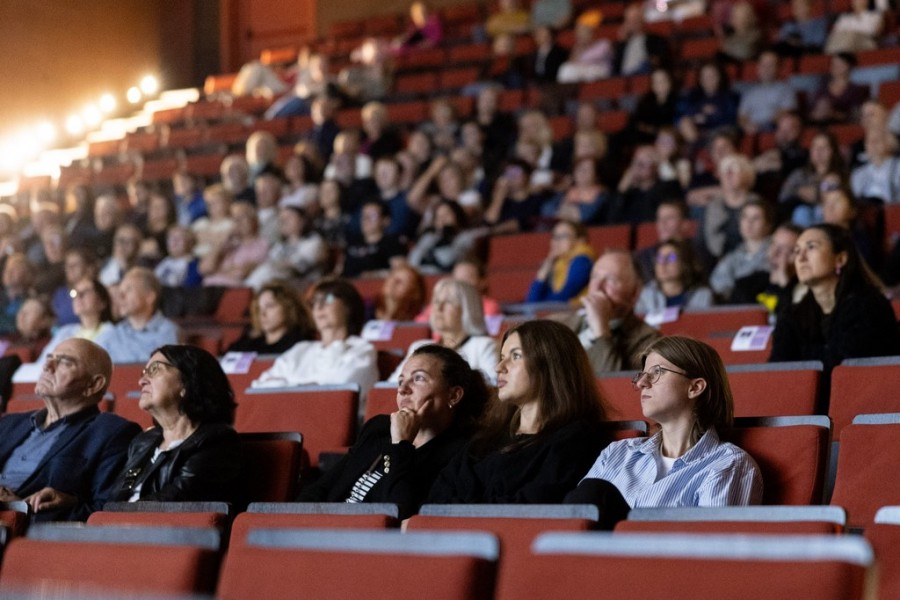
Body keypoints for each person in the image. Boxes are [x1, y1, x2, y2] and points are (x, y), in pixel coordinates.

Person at [569, 336, 762, 508]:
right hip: (589, 547)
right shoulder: (616, 453)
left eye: (657, 372)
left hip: (663, 549)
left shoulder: (728, 465)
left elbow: (711, 546)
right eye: (642, 375)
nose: (641, 383)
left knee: (597, 492)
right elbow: (575, 523)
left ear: (695, 387)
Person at [298, 344, 489, 518]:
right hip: (327, 533)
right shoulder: (380, 428)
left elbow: (400, 514)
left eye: (419, 378)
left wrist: (401, 444)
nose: (403, 389)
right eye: (400, 381)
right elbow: (322, 489)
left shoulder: (462, 454)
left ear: (454, 395)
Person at [426, 320, 607, 504]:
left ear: (550, 365)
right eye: (502, 357)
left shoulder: (575, 440)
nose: (499, 367)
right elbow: (439, 496)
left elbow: (528, 509)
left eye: (515, 356)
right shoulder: (488, 438)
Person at [0, 339, 140, 520]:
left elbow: (106, 511)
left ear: (94, 385)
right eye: (49, 358)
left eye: (65, 362)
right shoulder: (8, 424)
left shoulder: (112, 433)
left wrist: (18, 509)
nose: (47, 366)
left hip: (30, 534)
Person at [108, 345, 240, 504]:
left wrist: (117, 516)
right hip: (121, 526)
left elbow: (176, 501)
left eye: (155, 369)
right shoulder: (143, 442)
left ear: (187, 383)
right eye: (144, 372)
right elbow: (117, 497)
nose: (141, 381)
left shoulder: (216, 441)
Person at [770, 223, 899, 375]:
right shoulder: (792, 315)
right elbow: (777, 373)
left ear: (840, 259)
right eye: (796, 251)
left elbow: (846, 370)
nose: (801, 258)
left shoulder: (868, 305)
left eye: (811, 247)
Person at [251, 278, 378, 398]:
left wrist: (286, 386)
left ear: (348, 307)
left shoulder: (362, 351)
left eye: (327, 299)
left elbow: (337, 397)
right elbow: (259, 387)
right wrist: (309, 387)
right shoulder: (301, 349)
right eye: (314, 302)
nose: (318, 307)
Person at [554, 250, 662, 372]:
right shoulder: (558, 322)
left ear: (634, 292)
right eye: (594, 277)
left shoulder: (647, 339)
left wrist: (601, 330)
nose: (597, 286)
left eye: (611, 279)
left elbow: (614, 386)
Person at [390, 278, 497, 384]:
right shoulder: (418, 347)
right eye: (436, 301)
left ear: (467, 309)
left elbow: (492, 387)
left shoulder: (483, 346)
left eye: (448, 302)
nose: (439, 307)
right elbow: (390, 386)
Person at [15, 278, 114, 384]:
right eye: (75, 293)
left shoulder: (113, 333)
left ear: (103, 302)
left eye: (86, 292)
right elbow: (43, 363)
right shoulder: (64, 332)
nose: (78, 297)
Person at [95, 267, 180, 363]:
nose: (121, 296)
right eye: (120, 291)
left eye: (128, 289)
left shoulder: (168, 331)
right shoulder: (112, 334)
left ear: (149, 297)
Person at [226, 281, 316, 355]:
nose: (262, 313)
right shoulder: (248, 345)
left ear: (288, 307)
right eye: (259, 308)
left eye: (270, 306)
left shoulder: (301, 344)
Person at [709, 200, 773, 302]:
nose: (749, 223)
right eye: (745, 217)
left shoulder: (776, 252)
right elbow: (718, 283)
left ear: (768, 224)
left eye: (756, 218)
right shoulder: (733, 256)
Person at [636, 239, 714, 314]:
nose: (663, 263)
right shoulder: (645, 295)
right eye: (660, 258)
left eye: (671, 258)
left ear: (684, 263)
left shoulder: (703, 295)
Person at [526, 220, 595, 304]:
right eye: (554, 236)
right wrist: (543, 272)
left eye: (563, 236)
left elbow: (564, 297)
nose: (556, 241)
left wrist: (541, 303)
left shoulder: (582, 260)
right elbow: (531, 301)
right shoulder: (557, 264)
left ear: (580, 240)